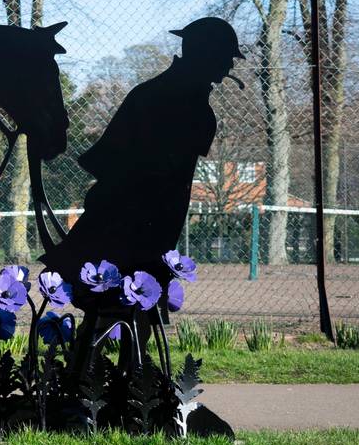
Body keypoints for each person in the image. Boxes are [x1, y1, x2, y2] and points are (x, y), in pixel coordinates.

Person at [42, 17, 245, 312]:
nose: (230, 67)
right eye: (227, 58)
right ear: (208, 55)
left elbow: (105, 161)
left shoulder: (164, 97)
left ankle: (117, 350)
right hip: (135, 227)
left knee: (123, 300)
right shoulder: (192, 109)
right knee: (124, 297)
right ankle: (116, 351)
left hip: (134, 221)